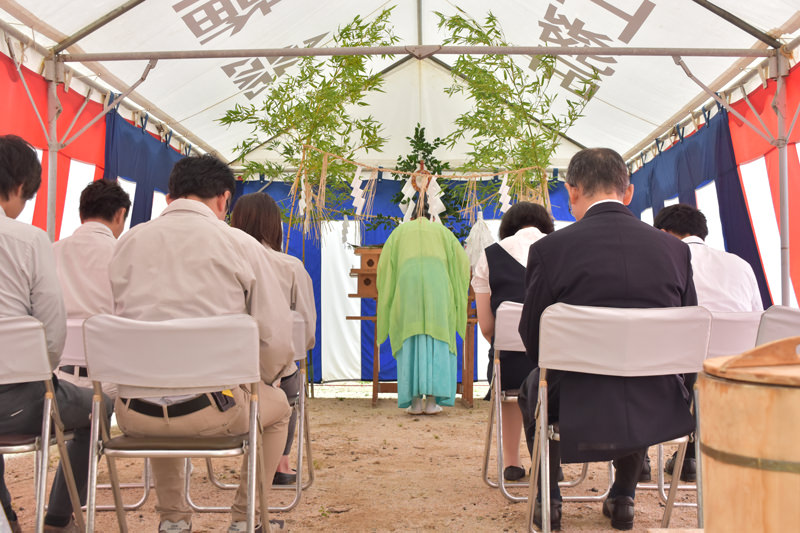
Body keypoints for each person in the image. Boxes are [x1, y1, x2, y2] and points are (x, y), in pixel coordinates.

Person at [108, 155, 294, 533]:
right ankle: (245, 519)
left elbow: (108, 322)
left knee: (155, 380)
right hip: (214, 412)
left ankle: (173, 520)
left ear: (169, 197)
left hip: (132, 414)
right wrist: (259, 379)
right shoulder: (239, 244)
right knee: (278, 408)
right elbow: (275, 337)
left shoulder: (127, 242)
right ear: (225, 200)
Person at [517, 148, 697, 531]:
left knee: (536, 385)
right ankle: (623, 497)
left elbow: (534, 339)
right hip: (657, 397)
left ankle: (549, 499)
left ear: (572, 192)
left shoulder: (549, 250)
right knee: (639, 376)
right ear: (628, 193)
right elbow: (687, 337)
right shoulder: (676, 252)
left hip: (575, 395)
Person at [0, 134, 111, 533]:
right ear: (17, 187)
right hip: (18, 400)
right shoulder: (27, 240)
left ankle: (7, 514)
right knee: (99, 407)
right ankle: (58, 520)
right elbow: (50, 327)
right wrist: (40, 373)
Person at [654, 202, 763, 482]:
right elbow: (758, 319)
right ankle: (692, 455)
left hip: (679, 379)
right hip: (737, 377)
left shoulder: (665, 262)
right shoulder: (741, 265)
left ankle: (641, 460)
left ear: (665, 234)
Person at [230, 192, 316, 486]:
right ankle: (281, 461)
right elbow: (305, 333)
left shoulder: (221, 263)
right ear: (275, 226)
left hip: (220, 379)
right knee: (289, 377)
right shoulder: (291, 266)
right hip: (272, 375)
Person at [471, 201, 554, 481]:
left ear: (507, 228)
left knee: (506, 366)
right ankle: (552, 460)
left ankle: (511, 463)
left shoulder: (489, 256)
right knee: (550, 377)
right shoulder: (565, 251)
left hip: (509, 366)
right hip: (559, 363)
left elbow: (487, 327)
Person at [376, 211, 470, 415]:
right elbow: (462, 261)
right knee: (437, 340)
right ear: (432, 216)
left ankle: (415, 402)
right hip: (438, 291)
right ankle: (433, 402)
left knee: (411, 340)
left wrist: (389, 291)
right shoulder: (442, 232)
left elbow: (384, 267)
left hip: (408, 291)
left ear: (410, 217)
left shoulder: (399, 232)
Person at [53, 179, 131, 396]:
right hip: (110, 380)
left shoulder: (51, 251)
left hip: (56, 380)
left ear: (81, 214)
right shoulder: (124, 254)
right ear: (120, 214)